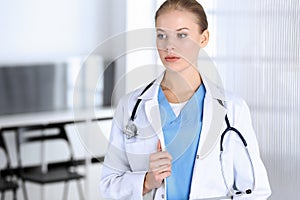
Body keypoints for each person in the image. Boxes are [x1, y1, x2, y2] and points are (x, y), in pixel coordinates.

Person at [100, 0, 271, 199]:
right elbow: (108, 186)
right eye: (161, 35)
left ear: (203, 38)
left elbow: (255, 190)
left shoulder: (232, 109)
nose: (169, 46)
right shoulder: (131, 106)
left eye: (182, 35)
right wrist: (147, 181)